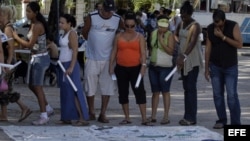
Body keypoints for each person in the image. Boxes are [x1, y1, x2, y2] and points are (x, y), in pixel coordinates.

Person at [82, 0, 124, 123]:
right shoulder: (92, 17)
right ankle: (91, 111)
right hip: (91, 57)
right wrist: (92, 44)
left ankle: (103, 113)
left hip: (108, 59)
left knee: (107, 87)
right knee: (90, 86)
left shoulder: (117, 19)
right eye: (105, 11)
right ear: (101, 8)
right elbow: (85, 32)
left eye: (110, 11)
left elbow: (124, 31)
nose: (107, 14)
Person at [12, 2, 53, 125]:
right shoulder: (32, 24)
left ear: (35, 13)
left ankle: (44, 115)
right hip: (35, 57)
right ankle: (48, 107)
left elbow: (30, 44)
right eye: (26, 11)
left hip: (40, 58)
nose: (27, 13)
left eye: (29, 11)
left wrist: (15, 36)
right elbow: (31, 43)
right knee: (31, 85)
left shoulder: (37, 26)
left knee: (37, 86)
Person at [109, 12, 151, 126]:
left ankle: (144, 118)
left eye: (132, 26)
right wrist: (110, 66)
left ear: (136, 25)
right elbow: (114, 51)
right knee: (123, 93)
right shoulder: (118, 36)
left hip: (136, 68)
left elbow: (143, 53)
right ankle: (127, 117)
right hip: (121, 68)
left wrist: (143, 66)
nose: (129, 28)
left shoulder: (140, 37)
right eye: (127, 26)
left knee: (140, 92)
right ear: (124, 25)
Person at [205, 9, 242, 129]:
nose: (217, 25)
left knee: (231, 95)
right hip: (215, 66)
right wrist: (206, 68)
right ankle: (221, 119)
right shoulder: (210, 29)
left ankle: (235, 123)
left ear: (224, 20)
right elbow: (208, 49)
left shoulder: (233, 26)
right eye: (215, 22)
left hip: (230, 66)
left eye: (219, 22)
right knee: (217, 95)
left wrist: (223, 37)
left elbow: (239, 44)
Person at [0, 5, 32, 122]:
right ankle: (4, 115)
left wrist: (7, 64)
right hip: (7, 62)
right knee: (4, 88)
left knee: (5, 88)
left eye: (0, 14)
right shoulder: (5, 27)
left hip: (8, 62)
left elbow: (10, 47)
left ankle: (24, 107)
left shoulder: (8, 28)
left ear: (5, 16)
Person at [175, 1, 203, 126]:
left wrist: (184, 55)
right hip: (182, 59)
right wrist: (179, 47)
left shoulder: (195, 26)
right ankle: (187, 116)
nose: (182, 17)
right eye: (181, 15)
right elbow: (175, 35)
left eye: (185, 15)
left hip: (192, 60)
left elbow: (192, 43)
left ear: (190, 14)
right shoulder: (181, 23)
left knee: (191, 89)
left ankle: (192, 118)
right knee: (186, 89)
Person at [58, 14, 89, 126]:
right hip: (63, 64)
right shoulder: (63, 34)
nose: (60, 24)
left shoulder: (72, 34)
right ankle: (67, 116)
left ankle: (82, 117)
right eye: (60, 22)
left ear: (69, 23)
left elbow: (75, 51)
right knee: (66, 91)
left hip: (70, 64)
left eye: (62, 22)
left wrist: (71, 66)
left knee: (75, 90)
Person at [147, 15, 175, 125]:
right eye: (160, 26)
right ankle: (153, 116)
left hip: (165, 67)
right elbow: (150, 47)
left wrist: (161, 41)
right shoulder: (153, 33)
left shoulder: (170, 35)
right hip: (153, 66)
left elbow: (170, 51)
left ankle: (166, 116)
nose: (161, 29)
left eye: (164, 27)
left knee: (165, 91)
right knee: (155, 92)